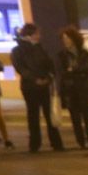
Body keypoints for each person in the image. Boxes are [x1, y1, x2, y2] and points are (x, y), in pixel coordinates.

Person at [10, 23, 64, 153]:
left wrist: (48, 77)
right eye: (37, 34)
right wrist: (35, 79)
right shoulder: (18, 50)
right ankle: (35, 144)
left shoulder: (40, 48)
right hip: (30, 87)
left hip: (44, 85)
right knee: (33, 115)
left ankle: (56, 143)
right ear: (29, 35)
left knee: (49, 114)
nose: (39, 36)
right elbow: (21, 69)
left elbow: (49, 65)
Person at [57, 26, 88, 150]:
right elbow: (62, 72)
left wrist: (73, 70)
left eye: (67, 38)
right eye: (63, 38)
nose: (65, 41)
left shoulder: (84, 53)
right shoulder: (62, 55)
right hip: (70, 90)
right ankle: (81, 142)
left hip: (85, 88)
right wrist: (76, 71)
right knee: (75, 119)